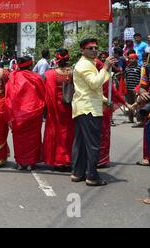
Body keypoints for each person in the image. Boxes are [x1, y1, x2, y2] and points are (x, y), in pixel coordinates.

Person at [71, 38, 115, 187]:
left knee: (82, 143)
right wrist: (106, 67)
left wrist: (103, 99)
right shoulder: (85, 64)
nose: (95, 50)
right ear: (83, 50)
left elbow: (91, 89)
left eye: (96, 48)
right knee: (93, 144)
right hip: (88, 109)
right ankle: (92, 176)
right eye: (91, 48)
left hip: (85, 106)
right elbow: (95, 83)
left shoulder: (88, 63)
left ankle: (78, 173)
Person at [6, 56, 46, 171]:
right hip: (34, 111)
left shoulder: (13, 77)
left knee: (19, 139)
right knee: (33, 138)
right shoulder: (36, 77)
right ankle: (30, 162)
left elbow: (9, 96)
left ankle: (20, 162)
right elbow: (43, 94)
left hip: (18, 113)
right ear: (31, 65)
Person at [42, 49, 75, 172]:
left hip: (55, 107)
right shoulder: (73, 72)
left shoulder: (49, 74)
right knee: (69, 134)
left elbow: (44, 92)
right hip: (71, 106)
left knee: (56, 133)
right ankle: (68, 159)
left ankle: (58, 161)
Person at [124, 54, 141, 125]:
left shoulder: (139, 68)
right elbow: (125, 78)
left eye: (132, 59)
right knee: (130, 104)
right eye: (130, 59)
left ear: (136, 59)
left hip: (136, 89)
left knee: (137, 104)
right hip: (128, 89)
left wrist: (138, 88)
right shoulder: (127, 68)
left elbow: (141, 78)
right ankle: (130, 119)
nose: (131, 60)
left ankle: (138, 120)